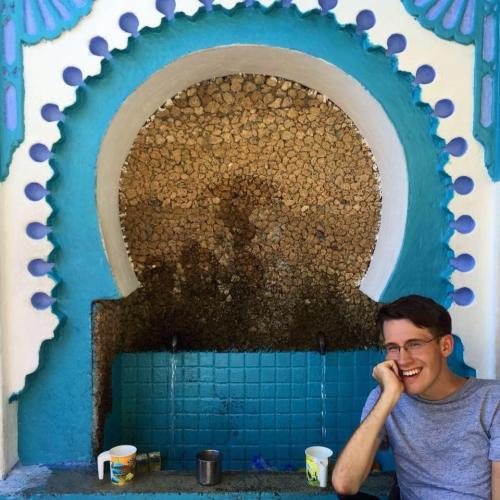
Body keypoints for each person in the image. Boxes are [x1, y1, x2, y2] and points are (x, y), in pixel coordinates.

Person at [332, 295, 500, 499]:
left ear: (445, 346)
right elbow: (344, 484)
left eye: (414, 344)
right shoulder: (384, 398)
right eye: (393, 347)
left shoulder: (492, 400)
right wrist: (388, 397)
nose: (403, 360)